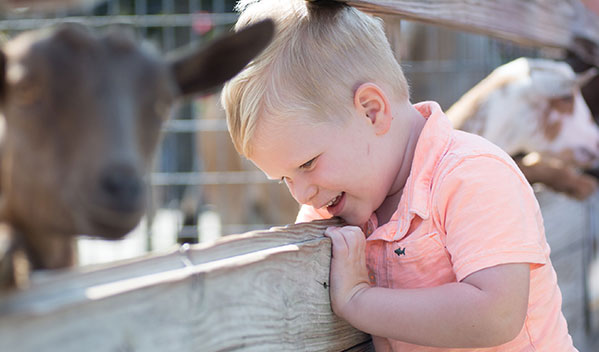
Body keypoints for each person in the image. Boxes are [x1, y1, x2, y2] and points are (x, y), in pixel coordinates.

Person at [221, 0, 577, 350]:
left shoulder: (472, 175)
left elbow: (496, 314)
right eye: (283, 178)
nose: (300, 194)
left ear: (372, 112)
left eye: (307, 164)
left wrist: (360, 302)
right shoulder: (339, 204)